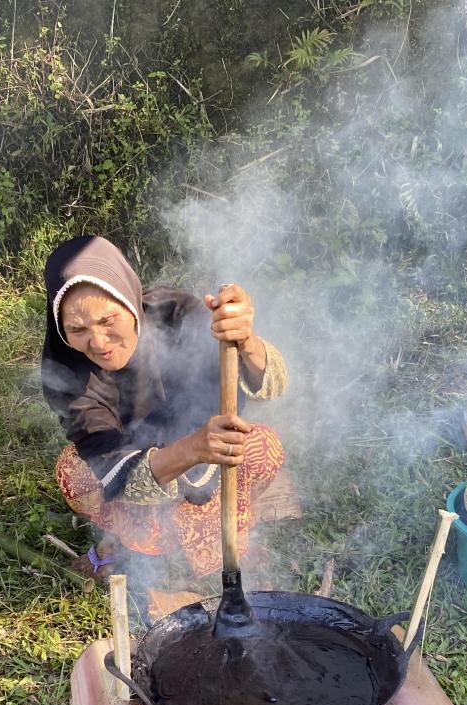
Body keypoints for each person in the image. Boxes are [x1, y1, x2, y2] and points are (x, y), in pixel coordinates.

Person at [40, 235, 291, 585]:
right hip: (146, 466)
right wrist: (191, 449)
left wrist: (246, 341)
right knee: (75, 473)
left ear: (129, 302)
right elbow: (113, 469)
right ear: (61, 328)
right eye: (77, 330)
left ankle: (212, 531)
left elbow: (273, 386)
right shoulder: (66, 371)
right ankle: (126, 540)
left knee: (263, 446)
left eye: (108, 320)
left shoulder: (177, 313)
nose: (97, 342)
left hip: (209, 452)